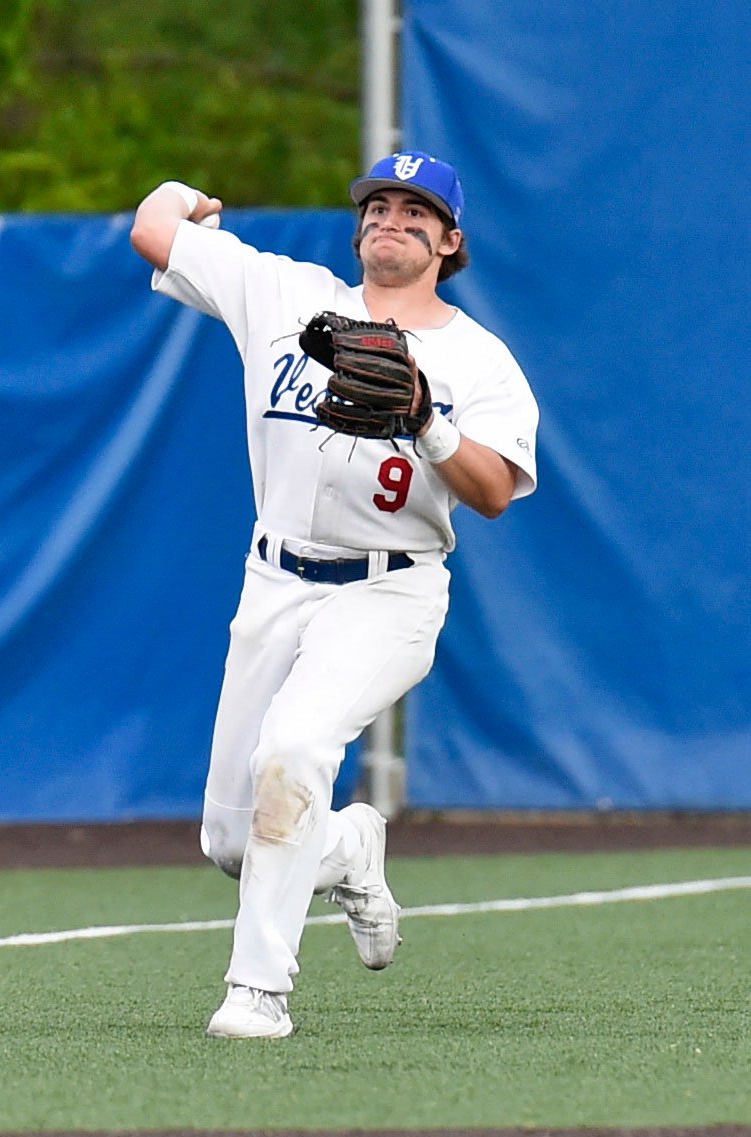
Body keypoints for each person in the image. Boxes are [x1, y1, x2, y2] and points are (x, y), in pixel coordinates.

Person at [130, 151, 539, 1039]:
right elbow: (152, 230)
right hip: (275, 577)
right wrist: (192, 198)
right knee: (233, 843)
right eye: (379, 205)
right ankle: (350, 844)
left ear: (450, 240)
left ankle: (258, 990)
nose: (392, 218)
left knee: (294, 748)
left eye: (416, 209)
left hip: (388, 591)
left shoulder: (477, 357)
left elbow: (496, 491)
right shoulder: (286, 297)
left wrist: (429, 420)